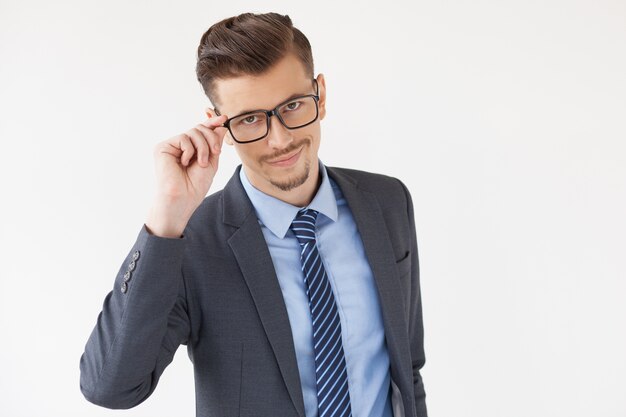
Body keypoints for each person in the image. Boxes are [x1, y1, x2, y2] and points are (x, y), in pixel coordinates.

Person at [79, 12, 427, 417]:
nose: (280, 140)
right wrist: (166, 218)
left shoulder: (387, 202)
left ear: (322, 95)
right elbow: (110, 388)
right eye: (250, 119)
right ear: (218, 124)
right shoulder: (190, 241)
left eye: (293, 105)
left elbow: (408, 367)